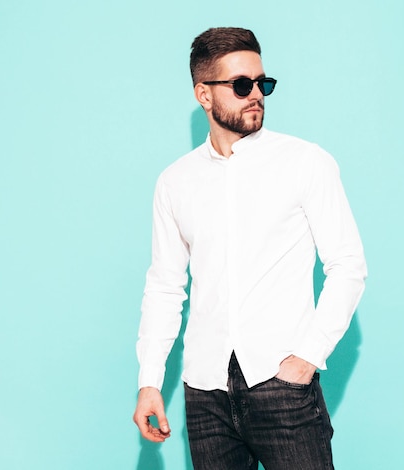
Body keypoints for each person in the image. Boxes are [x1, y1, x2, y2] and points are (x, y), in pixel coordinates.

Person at [132, 27, 367, 470]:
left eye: (264, 83)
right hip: (205, 396)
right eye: (242, 85)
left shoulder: (305, 162)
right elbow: (164, 286)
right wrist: (150, 381)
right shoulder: (175, 182)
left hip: (282, 387)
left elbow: (348, 266)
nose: (256, 94)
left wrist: (307, 358)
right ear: (204, 94)